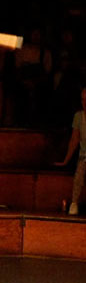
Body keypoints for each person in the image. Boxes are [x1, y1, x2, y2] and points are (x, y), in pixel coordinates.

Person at [54, 87, 86, 215]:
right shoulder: (79, 117)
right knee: (79, 174)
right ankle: (74, 202)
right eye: (83, 100)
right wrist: (65, 160)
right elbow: (74, 140)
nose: (85, 103)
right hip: (84, 157)